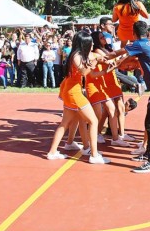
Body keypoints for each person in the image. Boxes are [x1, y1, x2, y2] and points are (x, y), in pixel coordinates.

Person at [113, 21, 150, 173]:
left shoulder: (139, 44)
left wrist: (106, 58)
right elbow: (130, 60)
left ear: (134, 33)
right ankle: (147, 155)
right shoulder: (149, 43)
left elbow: (117, 53)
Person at [46, 31, 111, 164]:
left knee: (65, 123)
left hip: (72, 91)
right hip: (73, 92)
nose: (93, 43)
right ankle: (94, 155)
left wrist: (106, 69)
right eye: (91, 42)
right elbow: (84, 71)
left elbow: (92, 74)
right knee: (93, 121)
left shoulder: (81, 55)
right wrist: (95, 60)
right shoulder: (76, 56)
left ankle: (53, 152)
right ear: (85, 43)